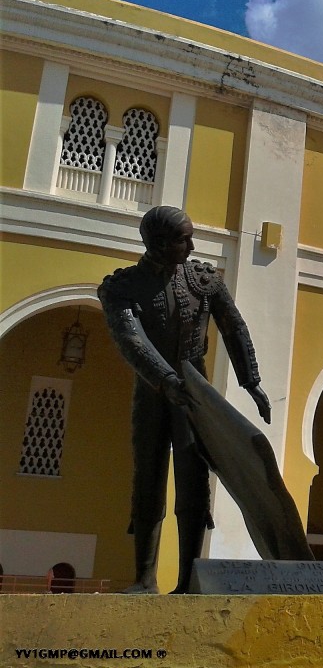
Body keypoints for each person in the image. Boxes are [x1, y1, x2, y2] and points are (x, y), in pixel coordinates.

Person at [98, 206, 271, 593]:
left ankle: (187, 582)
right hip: (154, 391)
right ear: (158, 244)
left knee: (194, 481)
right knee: (148, 478)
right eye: (183, 239)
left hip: (196, 392)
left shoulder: (203, 280)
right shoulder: (123, 287)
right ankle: (144, 579)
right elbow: (131, 340)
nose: (191, 246)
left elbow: (234, 327)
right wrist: (165, 380)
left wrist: (251, 382)